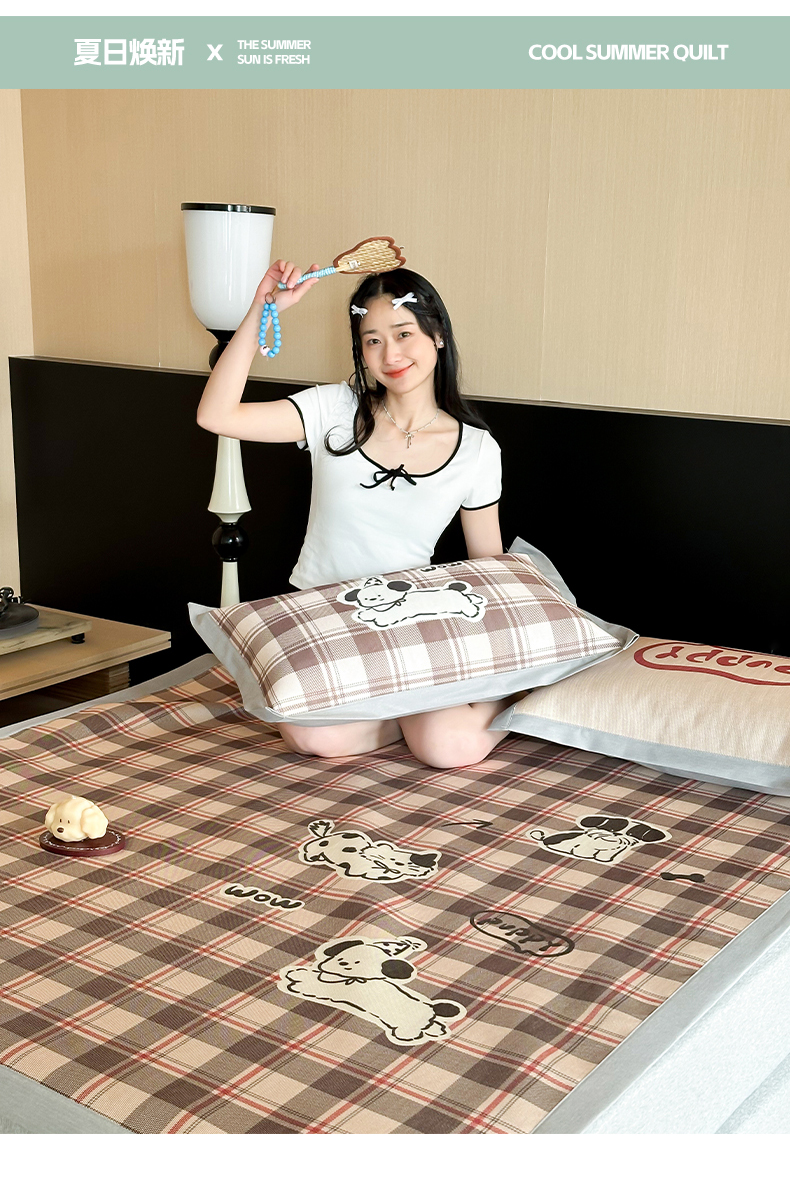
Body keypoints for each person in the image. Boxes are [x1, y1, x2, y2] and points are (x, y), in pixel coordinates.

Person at [197, 259, 511, 768]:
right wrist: (262, 308)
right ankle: (402, 719)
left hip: (408, 621)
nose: (391, 355)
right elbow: (216, 415)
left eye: (404, 334)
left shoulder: (476, 449)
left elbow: (488, 563)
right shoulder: (334, 410)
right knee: (312, 737)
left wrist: (505, 665)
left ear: (437, 336)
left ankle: (505, 699)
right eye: (372, 340)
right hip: (324, 618)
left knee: (450, 749)